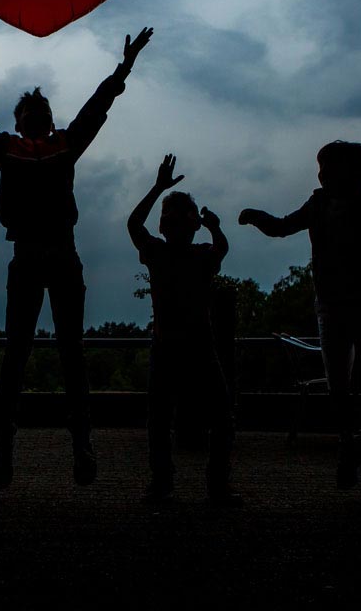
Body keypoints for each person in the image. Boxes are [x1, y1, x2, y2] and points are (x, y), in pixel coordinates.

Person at [0, 26, 154, 489]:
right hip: (49, 256)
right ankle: (27, 447)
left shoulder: (33, 148)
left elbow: (97, 106)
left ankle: (56, 447)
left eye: (39, 111)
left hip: (50, 256)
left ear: (41, 119)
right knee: (39, 355)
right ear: (22, 121)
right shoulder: (35, 148)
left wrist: (124, 67)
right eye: (30, 112)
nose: (36, 116)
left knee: (46, 354)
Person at [239, 141, 361, 490]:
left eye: (326, 168)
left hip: (354, 306)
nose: (321, 174)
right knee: (348, 383)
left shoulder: (357, 203)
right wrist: (257, 218)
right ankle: (355, 448)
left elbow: (281, 227)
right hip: (340, 306)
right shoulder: (323, 204)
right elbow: (280, 226)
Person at [128, 154, 241, 506]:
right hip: (191, 346)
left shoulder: (159, 253)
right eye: (171, 219)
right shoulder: (202, 255)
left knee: (163, 420)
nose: (173, 224)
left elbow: (134, 224)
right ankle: (213, 486)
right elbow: (222, 246)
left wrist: (158, 189)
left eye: (176, 219)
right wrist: (212, 225)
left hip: (174, 346)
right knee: (214, 417)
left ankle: (165, 484)